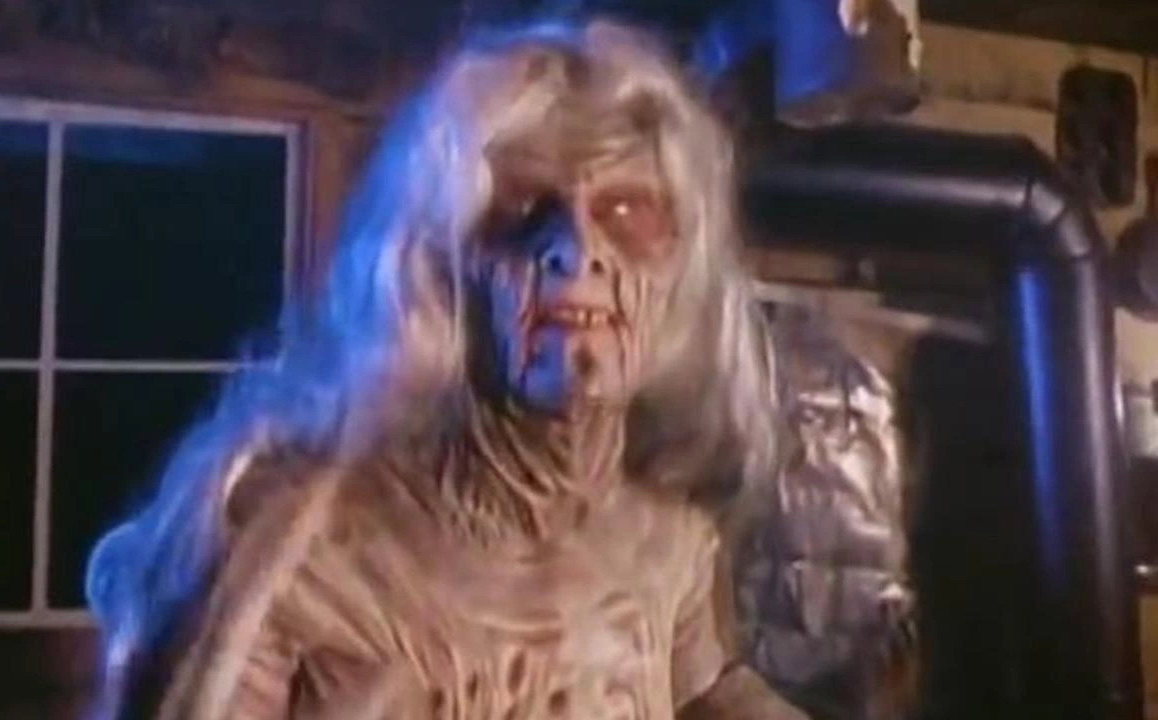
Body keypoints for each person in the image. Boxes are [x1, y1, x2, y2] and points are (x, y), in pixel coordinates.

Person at [86, 18, 806, 720]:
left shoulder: (666, 545)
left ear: (680, 265)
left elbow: (701, 687)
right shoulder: (298, 549)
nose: (577, 248)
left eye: (626, 211)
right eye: (521, 208)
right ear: (437, 264)